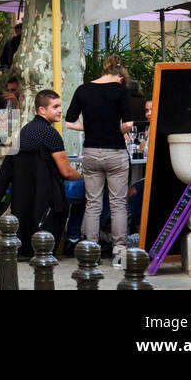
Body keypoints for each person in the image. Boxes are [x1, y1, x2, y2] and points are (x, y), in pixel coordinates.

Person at [0, 89, 82, 254]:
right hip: (49, 203)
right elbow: (67, 172)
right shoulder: (51, 134)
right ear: (42, 110)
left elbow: (1, 182)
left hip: (23, 203)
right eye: (55, 107)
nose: (60, 110)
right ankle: (75, 240)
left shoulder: (24, 132)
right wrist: (85, 176)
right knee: (87, 190)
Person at [64, 54, 134, 264]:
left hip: (92, 153)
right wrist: (114, 128)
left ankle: (90, 255)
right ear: (120, 77)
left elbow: (69, 122)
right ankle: (119, 255)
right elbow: (128, 125)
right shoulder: (120, 91)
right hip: (115, 154)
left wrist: (93, 126)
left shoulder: (83, 90)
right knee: (118, 205)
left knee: (92, 204)